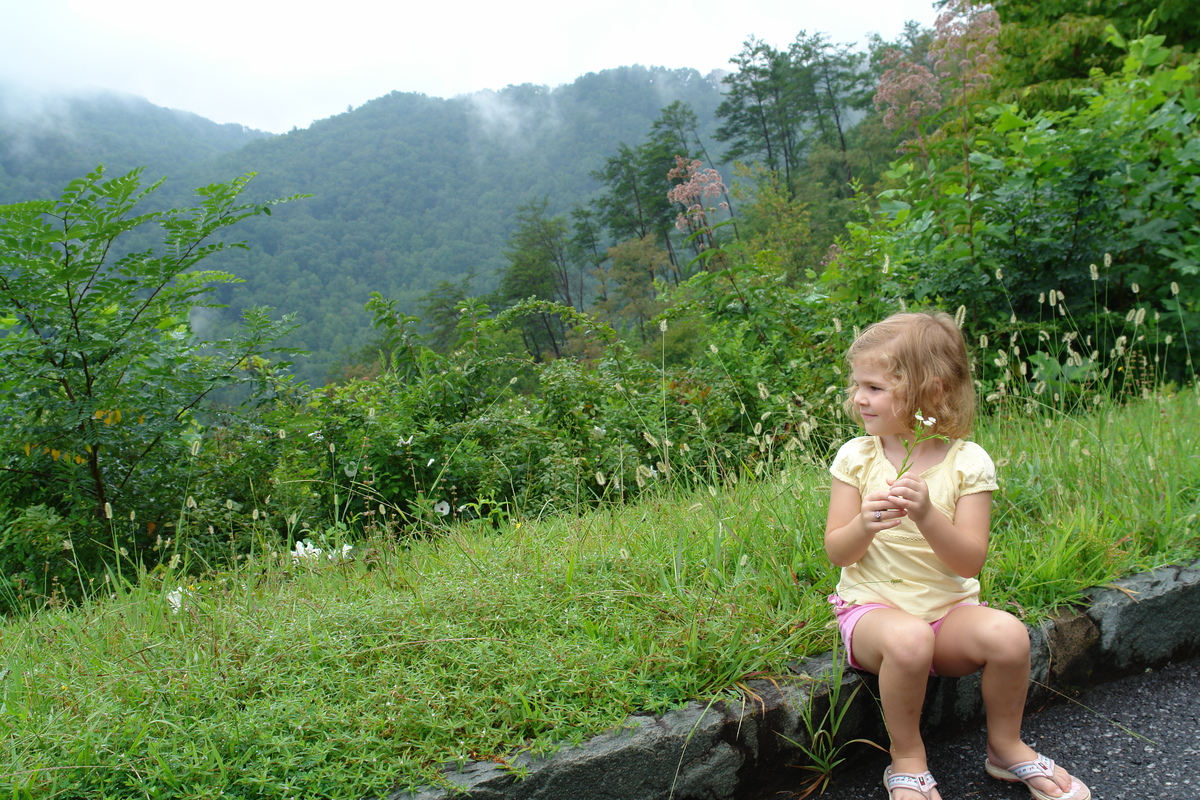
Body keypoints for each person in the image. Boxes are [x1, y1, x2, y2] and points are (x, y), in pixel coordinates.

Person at [823, 311, 1090, 800]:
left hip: (947, 615)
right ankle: (906, 756)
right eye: (857, 384)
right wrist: (864, 522)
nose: (859, 397)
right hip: (874, 616)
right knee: (907, 641)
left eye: (876, 387)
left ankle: (1005, 747)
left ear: (933, 391)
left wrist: (927, 515)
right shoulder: (857, 457)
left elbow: (969, 562)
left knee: (1008, 635)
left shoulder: (968, 462)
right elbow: (837, 550)